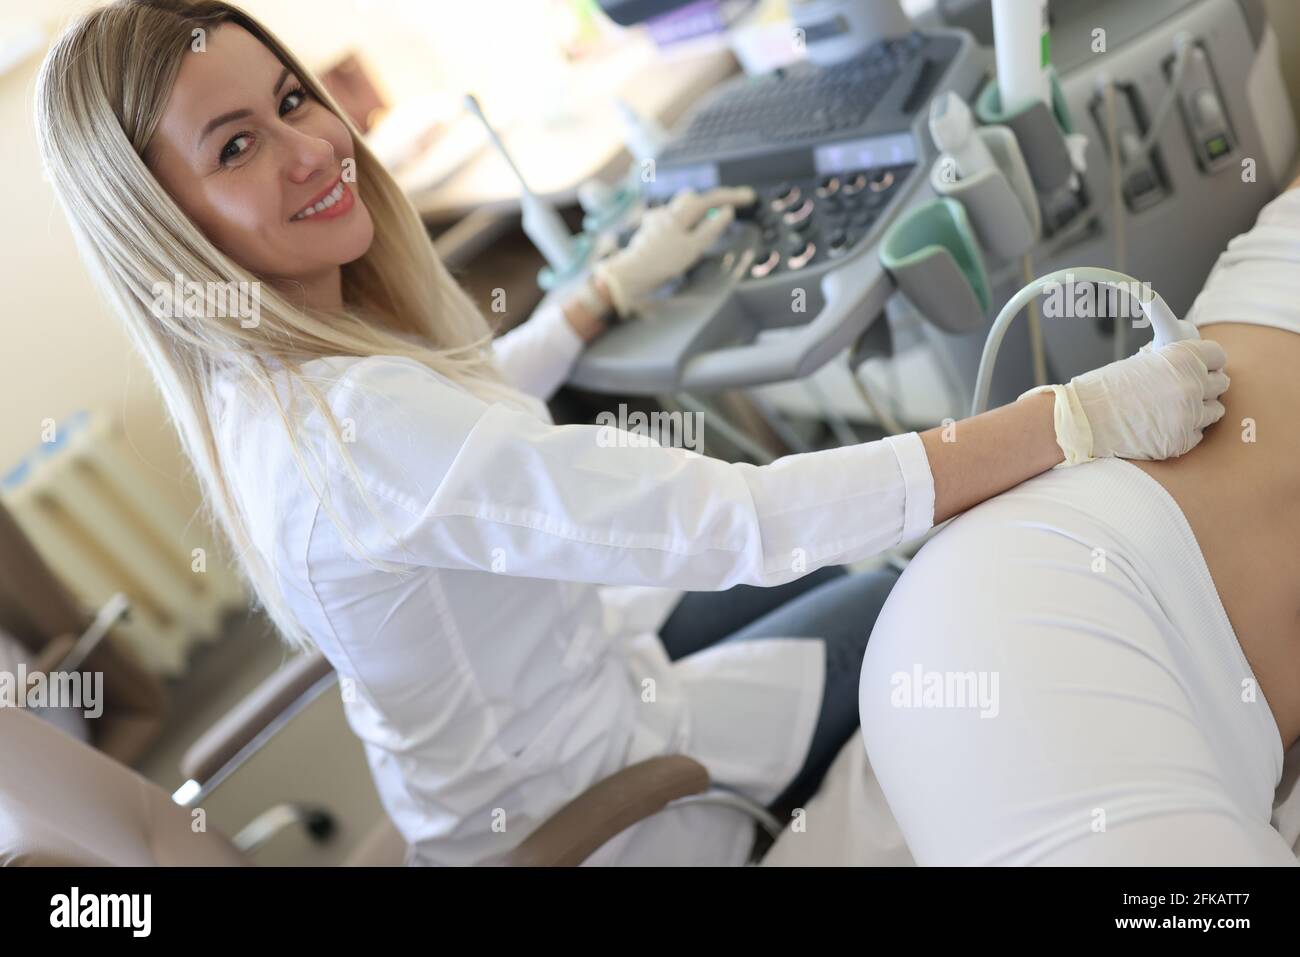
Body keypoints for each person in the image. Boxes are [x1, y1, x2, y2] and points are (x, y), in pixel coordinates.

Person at [35, 0, 1228, 865]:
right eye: (235, 147)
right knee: (908, 599)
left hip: (550, 700)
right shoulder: (352, 430)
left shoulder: (276, 373)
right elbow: (739, 521)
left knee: (867, 553)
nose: (312, 151)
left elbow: (468, 426)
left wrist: (597, 299)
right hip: (592, 797)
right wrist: (1072, 415)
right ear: (164, 227)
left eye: (291, 98)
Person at [859, 177, 1300, 867]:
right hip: (1056, 615)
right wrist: (1069, 418)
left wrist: (1067, 419)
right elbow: (738, 521)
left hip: (1014, 613)